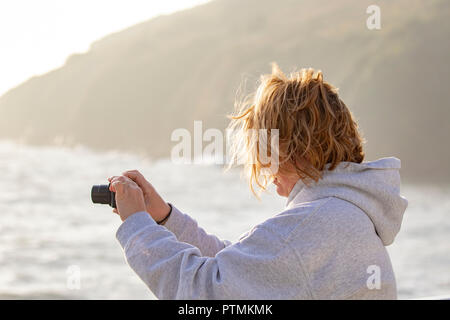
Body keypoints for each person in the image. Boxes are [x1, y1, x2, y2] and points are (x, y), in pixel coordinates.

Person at [108, 64, 408, 299]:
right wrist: (164, 219)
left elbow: (203, 293)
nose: (262, 167)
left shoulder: (310, 227)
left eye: (262, 148)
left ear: (292, 147)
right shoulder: (344, 214)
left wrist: (137, 225)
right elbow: (239, 271)